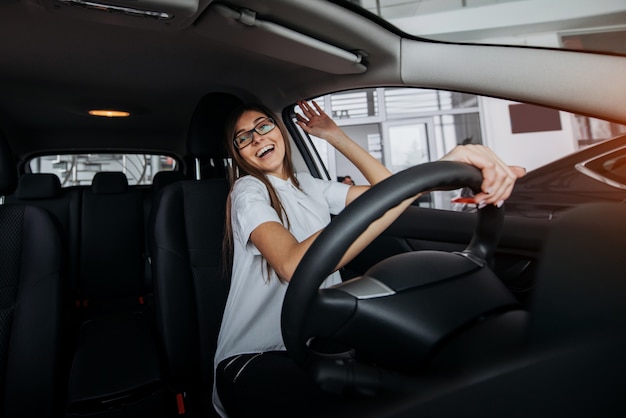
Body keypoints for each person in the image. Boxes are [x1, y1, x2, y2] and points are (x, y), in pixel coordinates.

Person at [213, 100, 525, 418]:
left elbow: (387, 191)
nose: (256, 138)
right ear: (238, 154)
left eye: (263, 125)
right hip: (253, 357)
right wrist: (440, 166)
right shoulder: (247, 191)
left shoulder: (307, 185)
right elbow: (293, 265)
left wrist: (335, 136)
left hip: (312, 344)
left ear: (279, 130)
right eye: (243, 137)